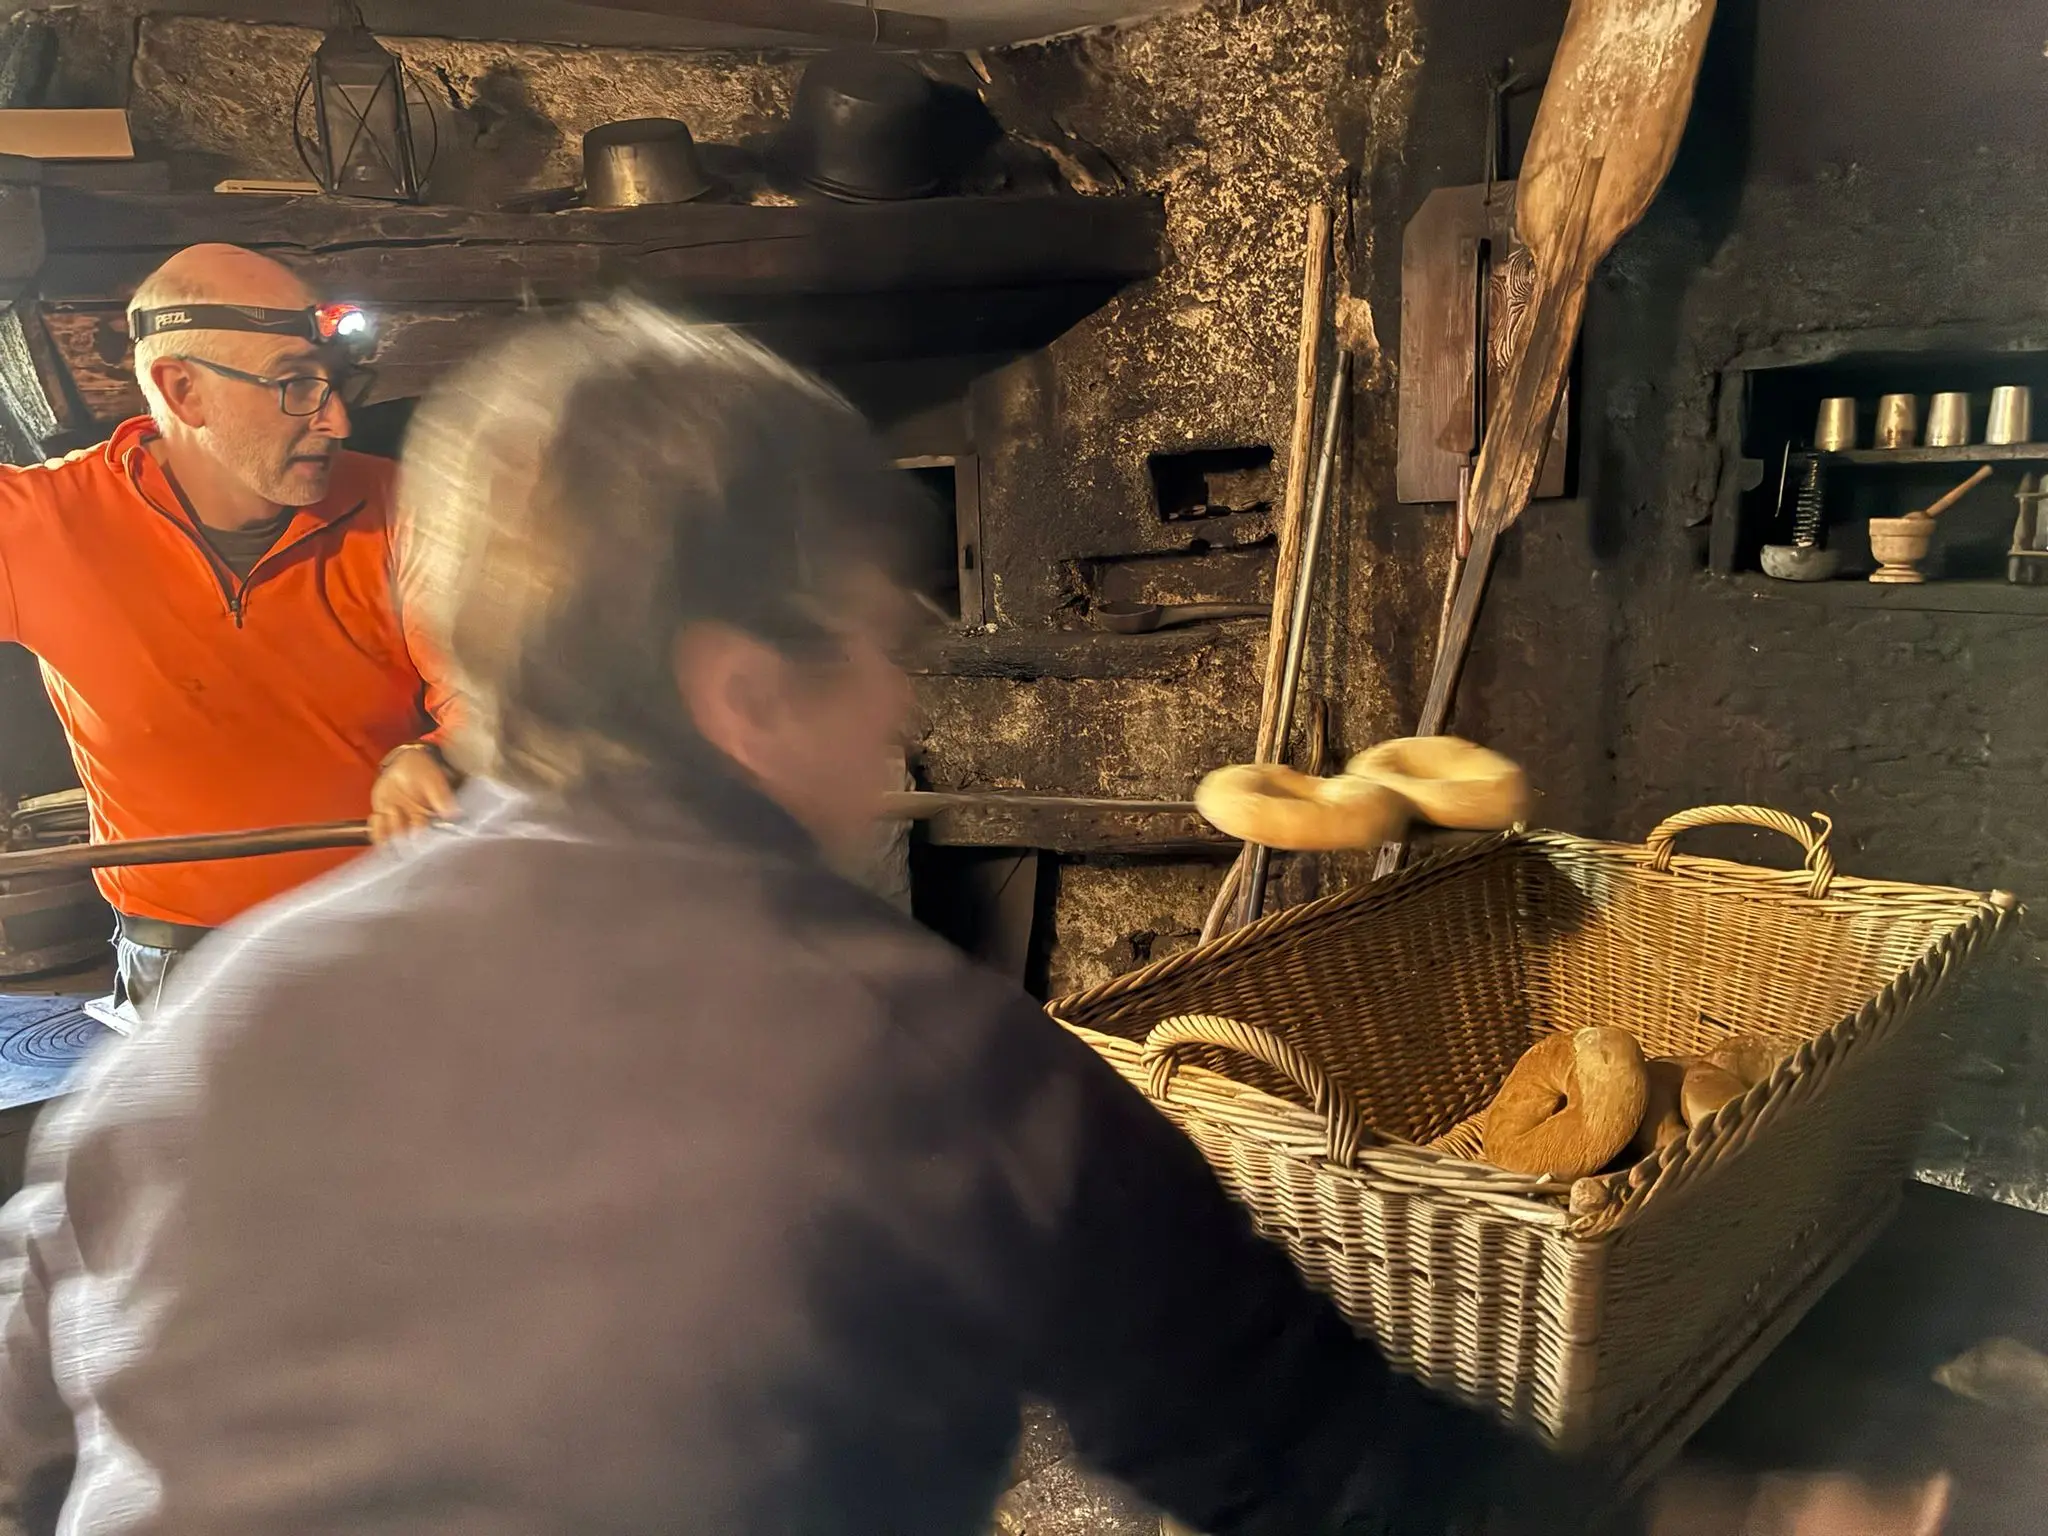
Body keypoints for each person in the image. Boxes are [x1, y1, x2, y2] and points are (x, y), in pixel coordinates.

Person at [0, 300, 1622, 1536]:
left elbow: (25, 1398)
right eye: (873, 646)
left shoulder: (203, 1025)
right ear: (745, 691)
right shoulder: (925, 1060)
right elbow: (1321, 1464)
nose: (899, 707)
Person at [0, 243, 460, 1017]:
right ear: (183, 391)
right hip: (182, 960)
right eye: (296, 387)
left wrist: (438, 754)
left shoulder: (401, 506)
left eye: (335, 384)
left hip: (392, 929)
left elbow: (490, 684)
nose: (338, 420)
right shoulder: (44, 524)